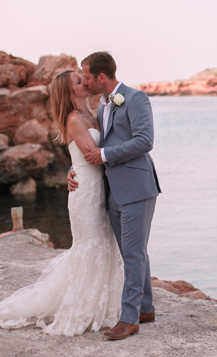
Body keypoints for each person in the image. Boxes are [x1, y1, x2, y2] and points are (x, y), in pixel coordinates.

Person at [0, 70, 123, 336]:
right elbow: (92, 156)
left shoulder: (94, 113)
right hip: (85, 192)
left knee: (105, 243)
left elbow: (86, 154)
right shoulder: (74, 119)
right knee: (90, 246)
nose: (85, 82)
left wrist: (71, 168)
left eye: (82, 78)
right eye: (78, 81)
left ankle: (105, 303)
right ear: (69, 92)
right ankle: (83, 308)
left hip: (99, 190)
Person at [68, 51, 161, 340]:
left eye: (87, 77)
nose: (85, 82)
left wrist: (105, 155)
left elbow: (145, 141)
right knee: (132, 253)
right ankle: (145, 308)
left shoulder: (135, 98)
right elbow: (90, 145)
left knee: (133, 255)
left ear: (102, 77)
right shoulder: (102, 107)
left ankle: (129, 319)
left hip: (137, 188)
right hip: (112, 192)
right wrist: (73, 168)